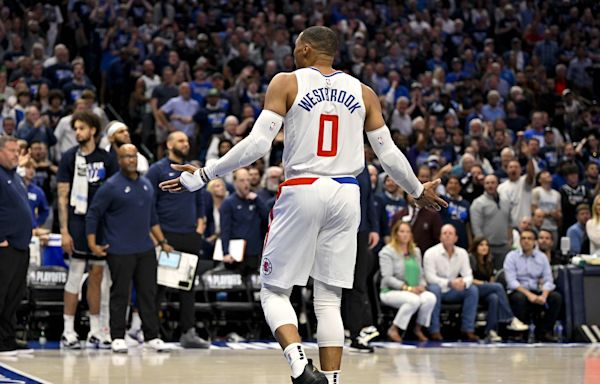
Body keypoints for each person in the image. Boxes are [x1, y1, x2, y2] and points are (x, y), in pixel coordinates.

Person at [159, 26, 445, 384]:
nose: (293, 53)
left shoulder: (286, 82)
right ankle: (332, 381)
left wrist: (204, 174)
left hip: (303, 187)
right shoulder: (365, 92)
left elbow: (257, 145)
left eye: (296, 47)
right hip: (346, 192)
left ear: (307, 49)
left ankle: (299, 366)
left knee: (274, 290)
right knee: (328, 299)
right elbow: (387, 153)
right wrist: (417, 189)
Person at [86, 144, 172, 353]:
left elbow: (152, 218)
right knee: (120, 294)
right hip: (119, 249)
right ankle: (117, 336)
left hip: (145, 248)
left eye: (133, 156)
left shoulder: (146, 185)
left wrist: (162, 242)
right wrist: (92, 243)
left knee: (148, 294)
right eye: (126, 157)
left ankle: (151, 336)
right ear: (119, 160)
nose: (130, 160)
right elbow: (94, 214)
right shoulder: (111, 186)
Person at [57, 111, 118, 349]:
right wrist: (64, 230)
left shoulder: (107, 159)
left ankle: (95, 330)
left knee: (98, 277)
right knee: (74, 274)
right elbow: (62, 195)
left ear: (93, 130)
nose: (77, 132)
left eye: (81, 128)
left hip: (101, 225)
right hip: (78, 222)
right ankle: (68, 330)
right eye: (75, 128)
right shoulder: (68, 157)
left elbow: (113, 198)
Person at [145, 132, 210, 348]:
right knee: (159, 286)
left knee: (187, 288)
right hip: (166, 236)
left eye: (187, 141)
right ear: (169, 143)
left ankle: (188, 333)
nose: (186, 143)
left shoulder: (192, 169)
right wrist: (159, 238)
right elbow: (149, 204)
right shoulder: (157, 170)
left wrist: (199, 228)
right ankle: (151, 334)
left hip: (189, 235)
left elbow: (200, 198)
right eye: (181, 140)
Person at [0, 136, 33, 355]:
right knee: (1, 294)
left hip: (20, 245)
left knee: (13, 296)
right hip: (5, 245)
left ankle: (7, 338)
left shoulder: (14, 176)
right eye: (12, 151)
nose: (16, 155)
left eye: (17, 151)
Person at [379, 221, 436, 343]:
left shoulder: (416, 251)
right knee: (413, 300)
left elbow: (421, 274)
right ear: (396, 234)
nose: (405, 235)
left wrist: (422, 285)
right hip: (390, 291)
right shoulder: (387, 252)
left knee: (430, 298)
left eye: (408, 232)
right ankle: (394, 329)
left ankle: (418, 328)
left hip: (414, 289)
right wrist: (407, 288)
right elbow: (387, 278)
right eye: (402, 231)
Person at [343, 164, 380, 353]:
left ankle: (356, 333)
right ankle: (340, 330)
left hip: (361, 230)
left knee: (358, 282)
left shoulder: (362, 166)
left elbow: (369, 198)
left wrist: (373, 227)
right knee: (336, 283)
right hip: (338, 230)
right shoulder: (337, 161)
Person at [504, 229, 563, 342]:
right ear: (520, 241)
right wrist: (529, 295)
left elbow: (549, 280)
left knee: (556, 297)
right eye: (523, 238)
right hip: (519, 291)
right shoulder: (511, 256)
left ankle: (544, 332)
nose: (526, 241)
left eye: (529, 239)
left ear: (535, 242)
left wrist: (544, 295)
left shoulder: (542, 257)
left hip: (537, 290)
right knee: (519, 298)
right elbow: (511, 281)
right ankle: (521, 332)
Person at [424, 224, 479, 342]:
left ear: (456, 238)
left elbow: (468, 275)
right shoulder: (430, 253)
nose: (447, 236)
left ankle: (468, 329)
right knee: (434, 289)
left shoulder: (462, 253)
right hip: (438, 289)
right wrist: (449, 282)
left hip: (454, 290)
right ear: (440, 237)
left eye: (450, 234)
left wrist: (463, 282)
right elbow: (430, 278)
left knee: (472, 289)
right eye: (445, 233)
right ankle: (434, 330)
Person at [468, 237, 528, 342]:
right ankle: (510, 319)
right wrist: (484, 283)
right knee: (498, 287)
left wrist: (489, 284)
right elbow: (468, 278)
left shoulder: (489, 260)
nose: (484, 247)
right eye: (481, 245)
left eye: (486, 245)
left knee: (494, 298)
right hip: (472, 289)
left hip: (485, 290)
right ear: (475, 247)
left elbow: (491, 278)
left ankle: (490, 331)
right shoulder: (471, 258)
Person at [219, 168, 269, 274]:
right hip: (236, 254)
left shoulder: (256, 200)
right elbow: (225, 230)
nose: (246, 183)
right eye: (242, 180)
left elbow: (267, 218)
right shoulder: (228, 203)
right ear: (235, 182)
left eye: (248, 180)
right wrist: (226, 252)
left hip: (254, 252)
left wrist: (258, 201)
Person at [470, 175, 512, 270]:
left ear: (498, 184)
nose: (490, 185)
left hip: (504, 247)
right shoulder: (478, 203)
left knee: (503, 275)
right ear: (484, 185)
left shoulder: (506, 201)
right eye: (487, 183)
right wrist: (483, 247)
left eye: (493, 183)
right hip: (488, 249)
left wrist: (510, 241)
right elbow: (476, 228)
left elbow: (510, 223)